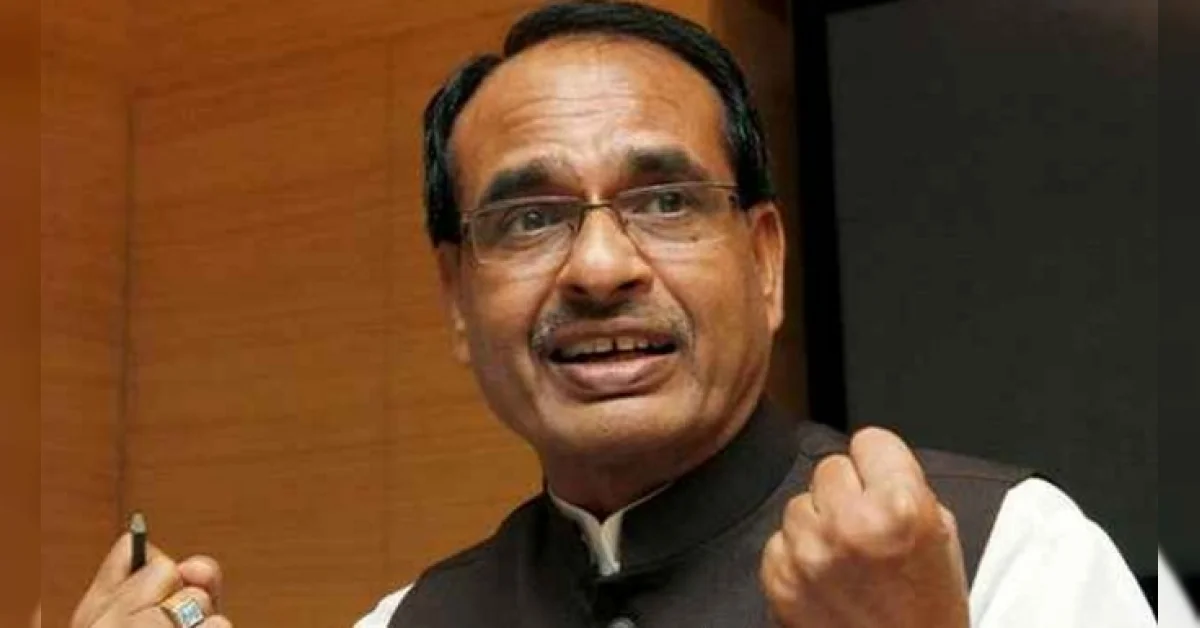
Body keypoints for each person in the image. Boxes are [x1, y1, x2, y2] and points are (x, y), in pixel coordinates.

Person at [71, 2, 1154, 627]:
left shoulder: (1010, 552)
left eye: (666, 200)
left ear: (765, 261)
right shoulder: (406, 623)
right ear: (458, 299)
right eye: (530, 217)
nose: (598, 266)